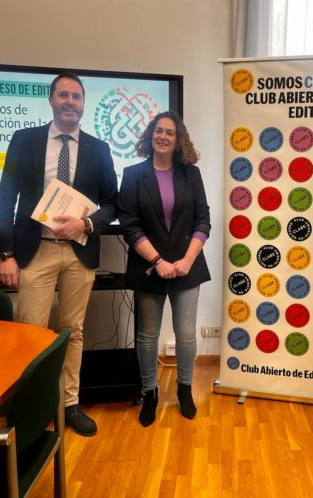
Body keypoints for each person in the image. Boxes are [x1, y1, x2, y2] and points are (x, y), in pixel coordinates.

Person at [0, 72, 118, 437]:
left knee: (72, 331)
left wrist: (87, 224)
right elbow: (5, 198)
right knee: (31, 333)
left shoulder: (99, 148)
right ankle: (32, 407)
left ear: (83, 104)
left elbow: (113, 203)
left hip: (79, 253)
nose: (69, 102)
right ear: (51, 100)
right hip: (36, 252)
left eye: (76, 97)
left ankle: (69, 404)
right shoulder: (25, 140)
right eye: (63, 95)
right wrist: (5, 253)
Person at [117, 111, 211, 427]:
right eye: (159, 131)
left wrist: (187, 260)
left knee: (185, 334)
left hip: (188, 266)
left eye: (170, 132)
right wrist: (157, 261)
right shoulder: (133, 174)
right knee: (147, 336)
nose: (163, 136)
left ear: (178, 139)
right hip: (148, 267)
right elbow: (129, 225)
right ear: (150, 135)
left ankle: (184, 389)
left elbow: (203, 221)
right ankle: (150, 393)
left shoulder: (191, 174)